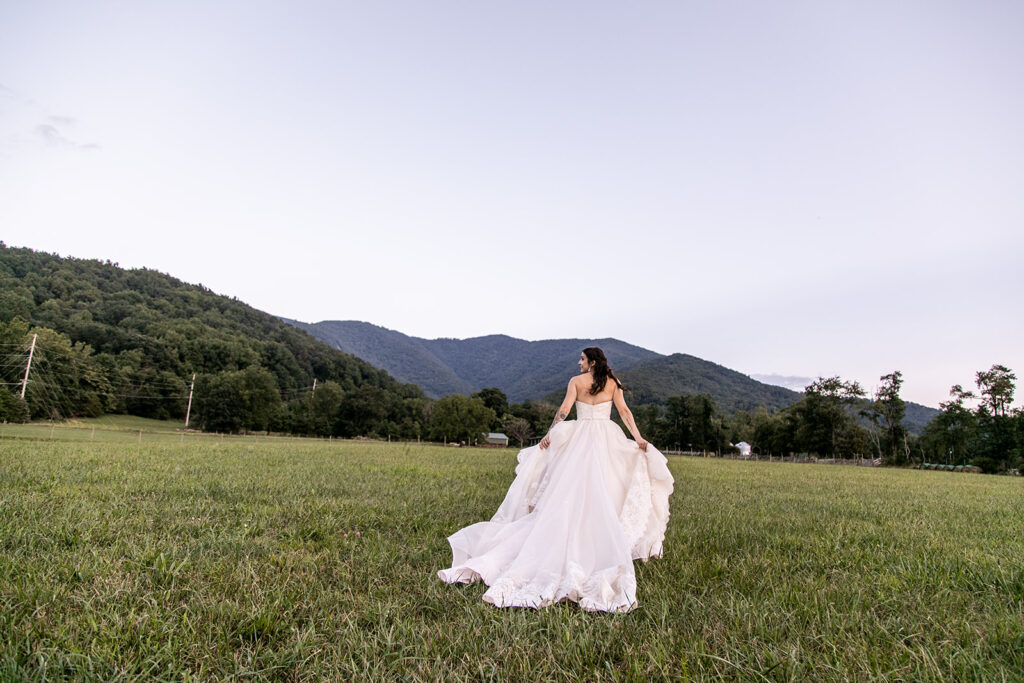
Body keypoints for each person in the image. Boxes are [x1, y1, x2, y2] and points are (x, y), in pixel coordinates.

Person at [437, 347, 674, 612]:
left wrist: (550, 433)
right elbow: (625, 413)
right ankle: (600, 541)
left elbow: (564, 410)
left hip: (581, 440)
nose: (579, 362)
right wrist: (638, 438)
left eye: (582, 359)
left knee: (571, 492)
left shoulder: (576, 382)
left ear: (591, 361)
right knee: (607, 489)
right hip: (608, 437)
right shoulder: (612, 383)